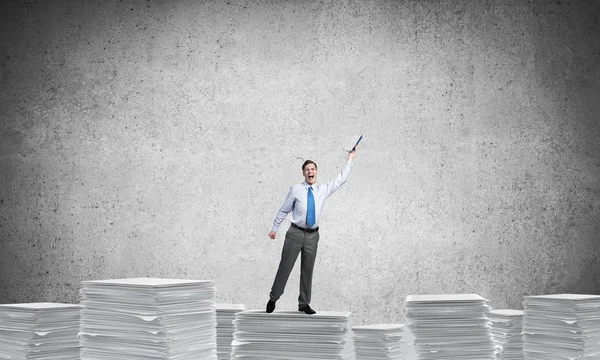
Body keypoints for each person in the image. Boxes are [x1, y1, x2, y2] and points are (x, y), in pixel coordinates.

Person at [266, 147, 358, 314]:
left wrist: (350, 159)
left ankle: (304, 304)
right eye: (307, 170)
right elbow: (284, 210)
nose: (310, 172)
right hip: (295, 233)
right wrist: (275, 228)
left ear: (316, 172)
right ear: (303, 173)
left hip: (312, 236)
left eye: (313, 169)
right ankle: (273, 297)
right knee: (285, 267)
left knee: (307, 271)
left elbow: (340, 179)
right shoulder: (295, 189)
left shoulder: (323, 190)